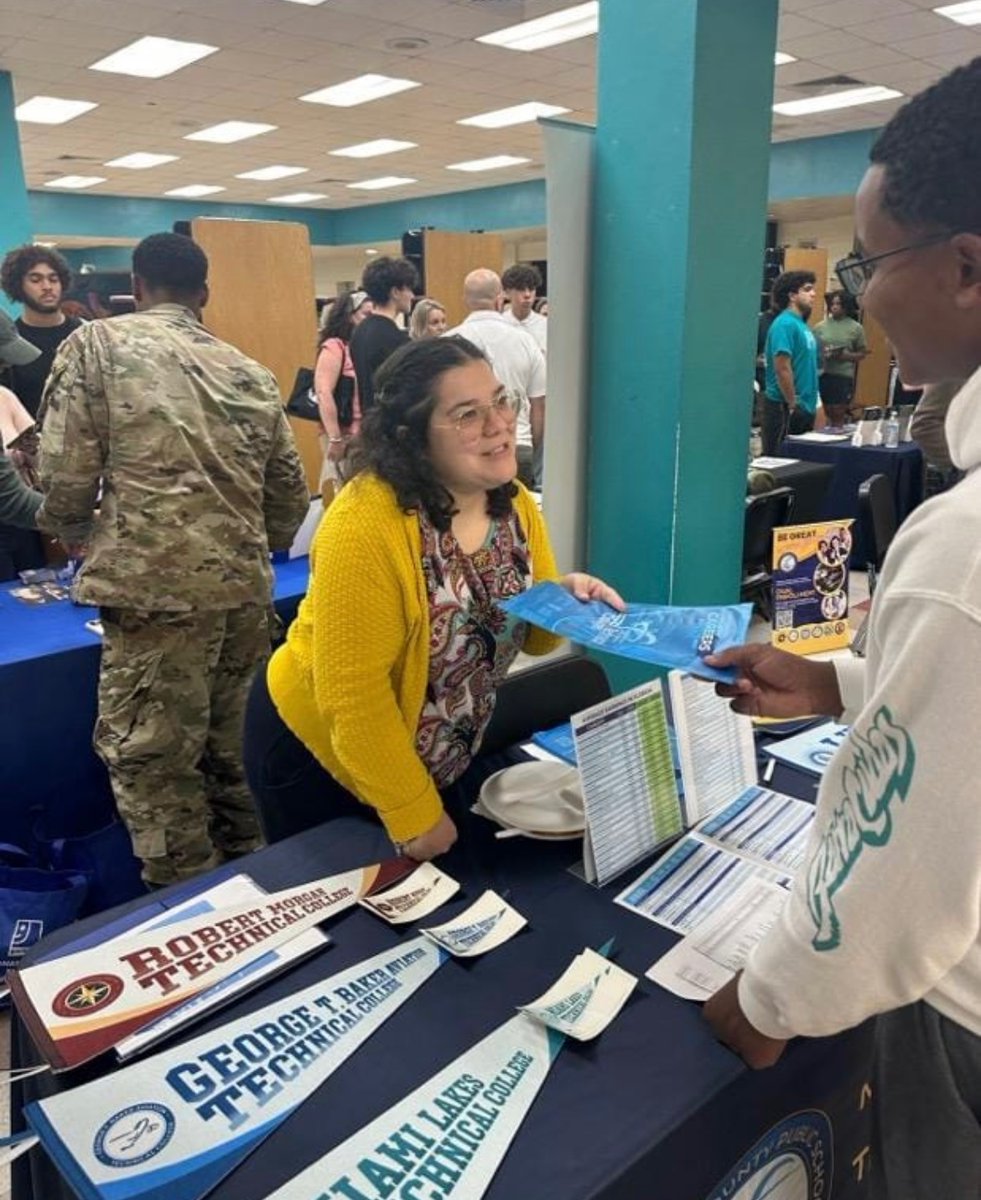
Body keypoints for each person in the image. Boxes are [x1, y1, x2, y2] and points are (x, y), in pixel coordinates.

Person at [703, 57, 981, 1200]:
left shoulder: (966, 549)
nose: (856, 297)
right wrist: (845, 685)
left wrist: (762, 1004)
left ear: (966, 268)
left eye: (871, 263)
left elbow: (900, 880)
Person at [243, 336, 622, 861]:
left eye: (499, 401)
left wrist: (561, 598)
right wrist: (414, 812)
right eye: (467, 414)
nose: (497, 424)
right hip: (321, 751)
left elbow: (536, 639)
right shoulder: (365, 523)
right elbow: (352, 699)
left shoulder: (510, 504)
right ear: (412, 437)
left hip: (431, 749)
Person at [37, 232, 309, 887]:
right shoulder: (248, 368)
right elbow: (288, 497)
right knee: (232, 747)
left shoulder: (96, 345)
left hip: (154, 597)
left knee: (153, 760)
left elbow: (64, 472)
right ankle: (259, 884)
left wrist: (73, 532)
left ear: (136, 286)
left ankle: (188, 904)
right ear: (204, 295)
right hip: (243, 591)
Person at [444, 269, 546, 489]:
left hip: (464, 453)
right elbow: (539, 405)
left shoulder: (446, 344)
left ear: (465, 300)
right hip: (517, 446)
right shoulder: (526, 341)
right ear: (500, 298)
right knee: (518, 519)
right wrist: (532, 448)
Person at [0, 245, 83, 420]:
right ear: (18, 286)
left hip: (85, 442)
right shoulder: (10, 344)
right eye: (36, 280)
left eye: (53, 279)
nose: (47, 287)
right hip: (28, 441)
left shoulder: (87, 334)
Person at [314, 289, 372, 485]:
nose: (370, 321)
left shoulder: (363, 347)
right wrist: (335, 438)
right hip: (342, 434)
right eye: (366, 315)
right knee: (342, 488)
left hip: (364, 434)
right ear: (349, 316)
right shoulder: (335, 346)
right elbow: (324, 392)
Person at [349, 255, 417, 412]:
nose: (412, 296)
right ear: (395, 292)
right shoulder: (396, 339)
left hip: (369, 421)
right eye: (408, 289)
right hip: (391, 425)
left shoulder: (360, 331)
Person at [761, 270, 820, 452]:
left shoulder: (801, 325)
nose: (813, 294)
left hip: (804, 407)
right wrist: (793, 403)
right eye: (807, 289)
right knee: (779, 464)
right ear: (792, 296)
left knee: (797, 466)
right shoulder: (784, 324)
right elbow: (782, 367)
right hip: (784, 407)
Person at [0, 313, 43, 544]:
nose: (5, 368)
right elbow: (11, 500)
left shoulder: (4, 397)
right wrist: (80, 519)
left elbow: (35, 447)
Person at [814, 288, 868, 425]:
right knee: (823, 412)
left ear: (845, 306)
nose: (835, 307)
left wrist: (845, 355)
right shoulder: (819, 327)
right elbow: (813, 350)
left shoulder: (856, 328)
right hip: (822, 374)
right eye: (832, 304)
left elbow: (862, 354)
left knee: (837, 412)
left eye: (838, 304)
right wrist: (824, 353)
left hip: (842, 376)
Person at [501, 263, 547, 355]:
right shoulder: (499, 324)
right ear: (507, 292)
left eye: (531, 289)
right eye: (520, 289)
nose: (527, 295)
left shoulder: (546, 325)